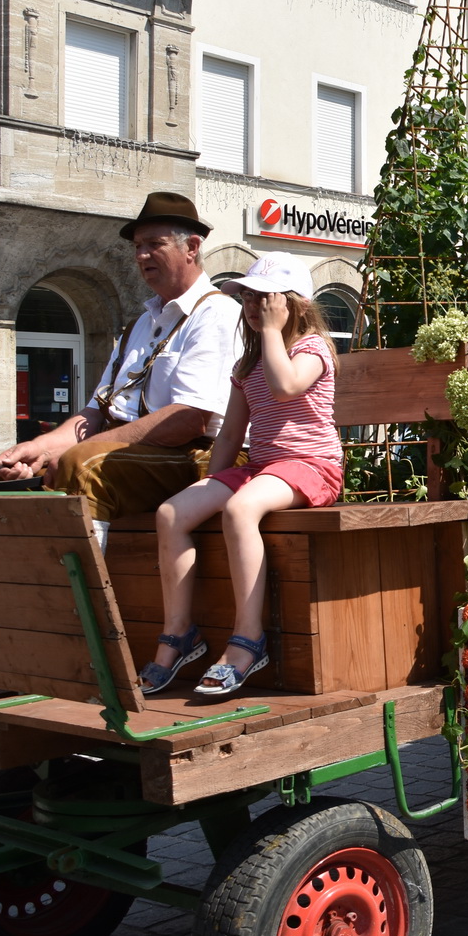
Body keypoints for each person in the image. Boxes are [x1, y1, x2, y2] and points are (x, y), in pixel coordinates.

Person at [0, 194, 240, 546]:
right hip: (137, 455)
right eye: (137, 246)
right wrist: (39, 448)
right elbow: (96, 412)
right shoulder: (139, 325)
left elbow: (189, 419)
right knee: (0, 479)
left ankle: (83, 597)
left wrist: (81, 451)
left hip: (204, 456)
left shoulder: (216, 314)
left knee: (83, 466)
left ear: (192, 247)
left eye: (154, 244)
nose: (140, 255)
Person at [143, 254, 342, 697]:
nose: (252, 307)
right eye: (248, 298)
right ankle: (179, 635)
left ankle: (248, 640)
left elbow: (286, 386)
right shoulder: (247, 364)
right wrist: (210, 487)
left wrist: (272, 332)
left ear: (294, 304)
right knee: (172, 512)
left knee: (240, 509)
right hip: (262, 467)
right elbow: (232, 432)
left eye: (263, 298)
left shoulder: (312, 349)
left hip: (312, 466)